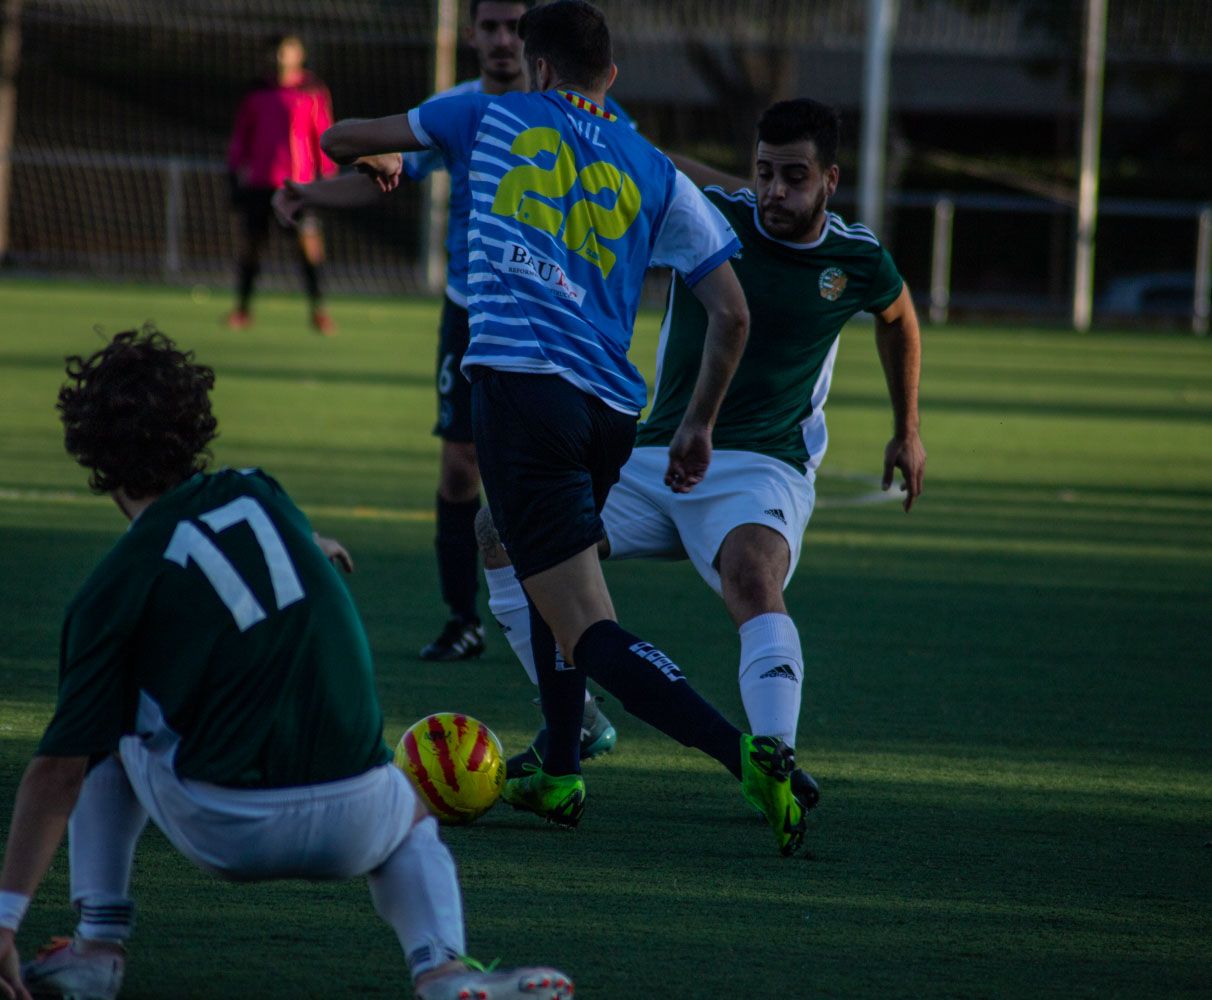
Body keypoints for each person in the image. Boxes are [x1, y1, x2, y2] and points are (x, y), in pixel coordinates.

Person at [0, 327, 572, 1000]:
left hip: (230, 828)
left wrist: (2, 925)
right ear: (197, 423)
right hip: (360, 815)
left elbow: (55, 773)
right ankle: (442, 969)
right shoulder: (262, 493)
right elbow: (256, 548)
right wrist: (310, 541)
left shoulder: (112, 587)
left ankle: (95, 948)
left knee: (104, 724)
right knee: (412, 818)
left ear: (91, 453)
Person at [319, 0, 804, 855]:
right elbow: (731, 314)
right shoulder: (655, 167)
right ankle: (559, 769)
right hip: (614, 413)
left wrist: (384, 151)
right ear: (610, 77)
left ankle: (750, 759)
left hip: (521, 394)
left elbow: (338, 140)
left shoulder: (486, 112)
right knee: (507, 539)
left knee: (587, 621)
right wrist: (696, 426)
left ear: (538, 68)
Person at [481, 99, 928, 809]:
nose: (775, 192)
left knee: (752, 577)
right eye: (764, 173)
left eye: (794, 176)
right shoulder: (707, 217)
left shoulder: (857, 257)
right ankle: (571, 727)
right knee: (508, 534)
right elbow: (644, 165)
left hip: (762, 466)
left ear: (830, 180)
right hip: (654, 453)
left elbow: (899, 315)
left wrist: (907, 427)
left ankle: (774, 759)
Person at [276, 2, 629, 776]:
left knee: (537, 515)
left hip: (555, 333)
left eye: (514, 26)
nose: (503, 39)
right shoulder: (458, 111)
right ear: (474, 36)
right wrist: (311, 194)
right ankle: (466, 619)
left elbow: (644, 174)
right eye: (491, 26)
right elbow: (384, 177)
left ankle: (571, 679)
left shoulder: (578, 112)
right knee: (462, 474)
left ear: (534, 47)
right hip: (473, 318)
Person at [227, 35, 337, 335]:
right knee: (251, 247)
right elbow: (242, 136)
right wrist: (235, 170)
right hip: (260, 183)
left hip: (298, 186)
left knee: (309, 247)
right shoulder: (256, 91)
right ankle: (242, 310)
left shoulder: (312, 89)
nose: (280, 56)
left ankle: (319, 311)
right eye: (276, 51)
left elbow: (323, 132)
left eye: (286, 50)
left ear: (298, 54)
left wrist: (327, 172)